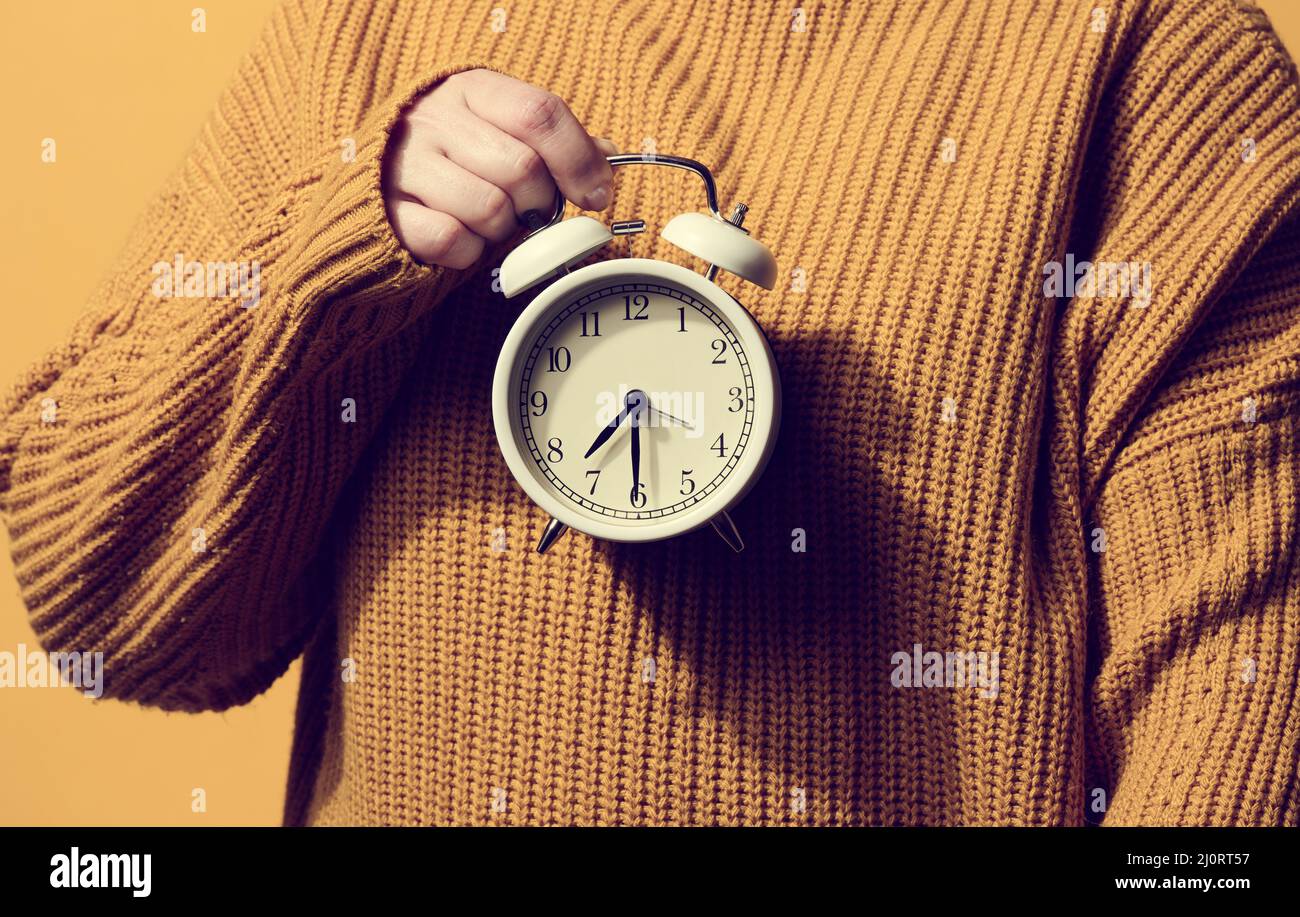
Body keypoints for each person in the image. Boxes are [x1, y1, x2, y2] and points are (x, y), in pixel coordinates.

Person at [3, 0, 1299, 826]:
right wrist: (346, 246)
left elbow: (1238, 728)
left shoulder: (1149, 62)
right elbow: (112, 616)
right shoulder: (371, 30)